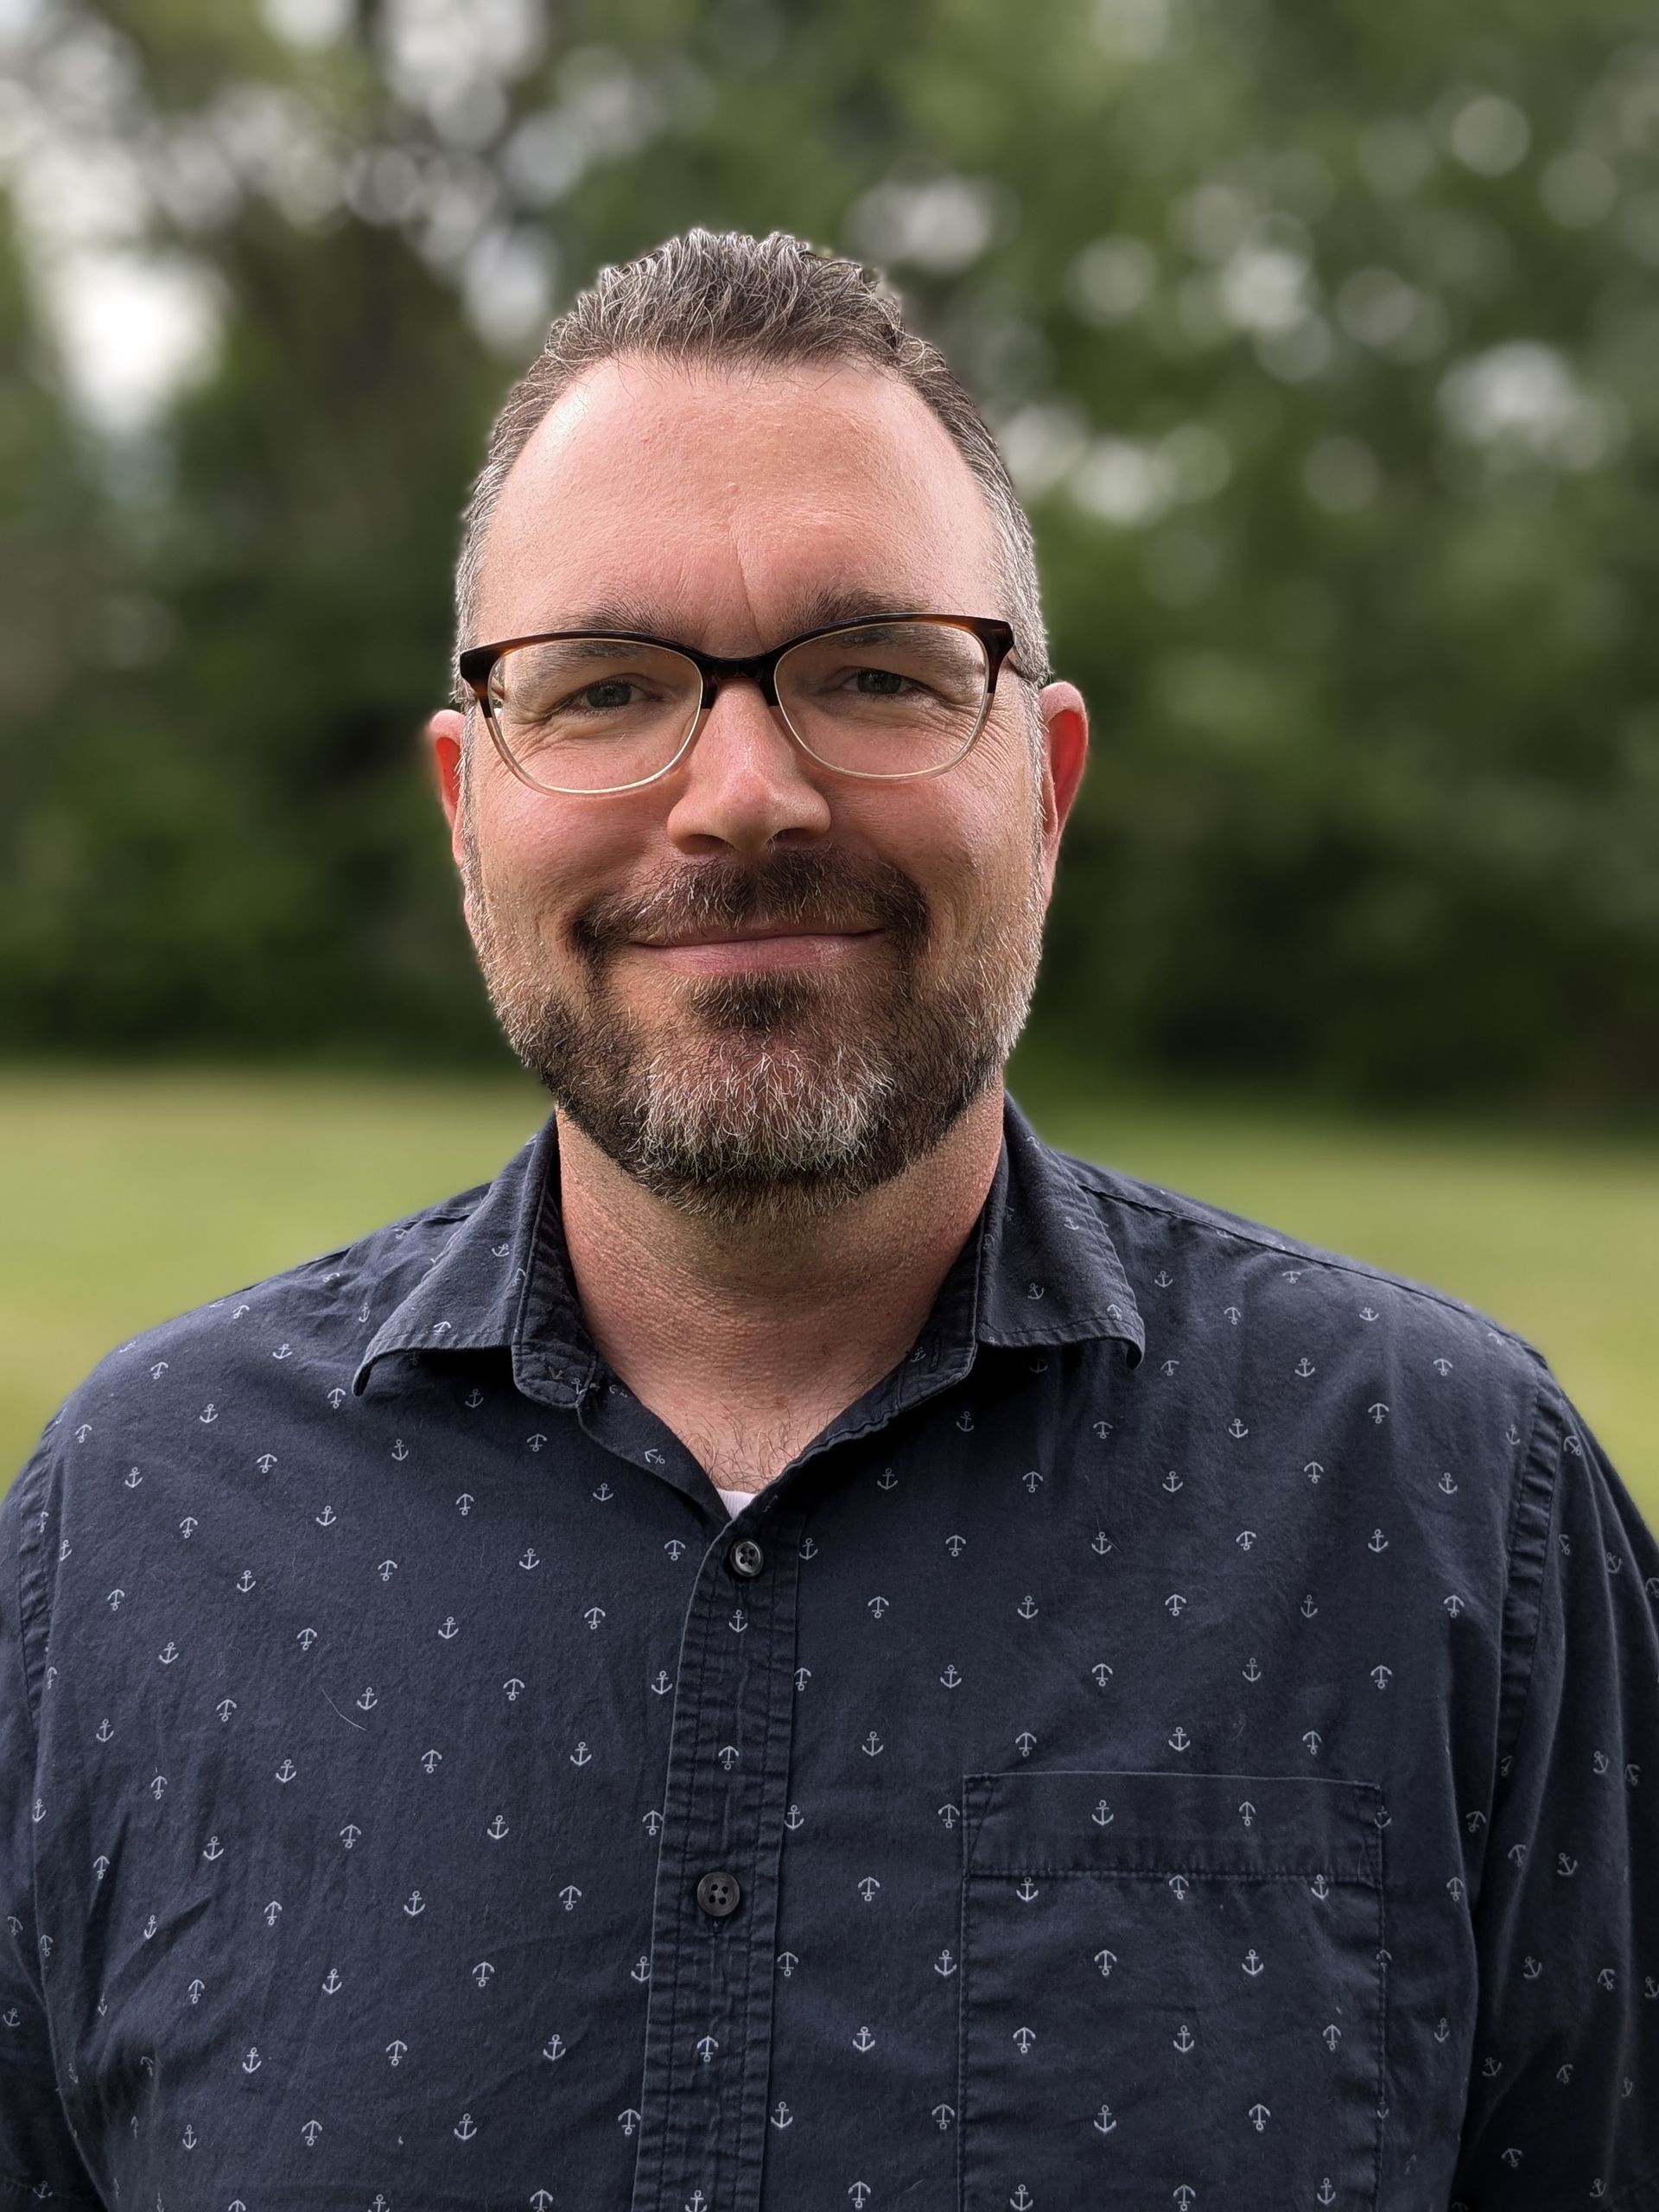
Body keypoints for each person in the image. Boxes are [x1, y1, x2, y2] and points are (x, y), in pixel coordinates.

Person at [2, 228, 1654, 2211]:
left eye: (872, 671)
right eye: (606, 687)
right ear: (466, 809)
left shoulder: (1458, 1507)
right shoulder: (132, 1521)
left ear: (1043, 783)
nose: (743, 792)